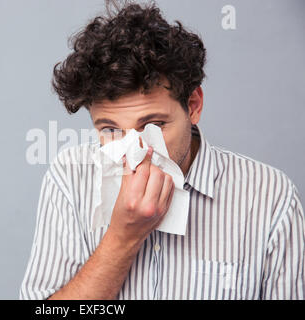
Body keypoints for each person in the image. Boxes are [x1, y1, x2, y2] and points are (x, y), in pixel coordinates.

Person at [20, 1, 304, 300]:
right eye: (110, 130)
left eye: (152, 125)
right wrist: (121, 238)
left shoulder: (271, 197)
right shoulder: (69, 177)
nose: (135, 154)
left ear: (193, 106)